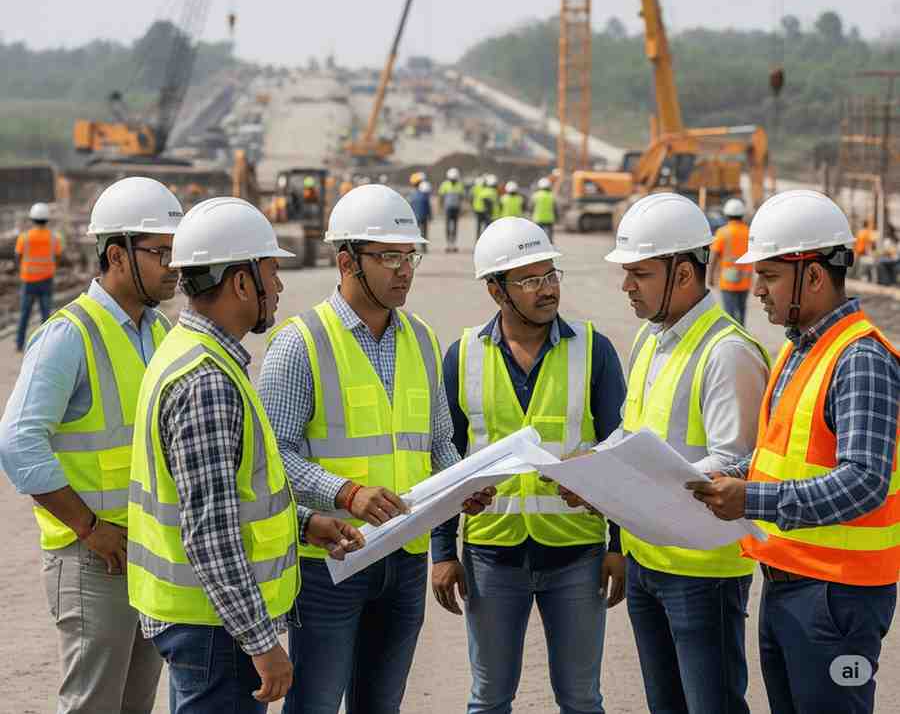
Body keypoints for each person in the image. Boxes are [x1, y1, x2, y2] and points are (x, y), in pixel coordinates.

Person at [258, 184, 493, 714]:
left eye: (411, 255)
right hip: (330, 564)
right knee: (314, 705)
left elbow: (436, 443)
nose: (405, 269)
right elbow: (272, 456)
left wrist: (462, 486)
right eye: (389, 256)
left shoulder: (423, 339)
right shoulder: (301, 343)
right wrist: (345, 493)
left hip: (403, 562)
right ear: (347, 260)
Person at [127, 197, 363, 714]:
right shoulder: (207, 380)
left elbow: (228, 494)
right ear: (240, 282)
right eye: (272, 272)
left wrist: (303, 524)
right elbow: (209, 532)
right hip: (217, 633)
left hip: (202, 623)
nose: (278, 287)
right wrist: (262, 644)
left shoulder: (187, 350)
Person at [687, 189, 900, 714]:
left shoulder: (860, 359)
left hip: (837, 598)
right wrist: (695, 476)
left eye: (770, 276)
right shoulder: (799, 348)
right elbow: (772, 457)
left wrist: (752, 499)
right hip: (789, 584)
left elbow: (865, 481)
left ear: (813, 275)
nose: (756, 289)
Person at [0, 177, 184, 714]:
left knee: (134, 704)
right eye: (160, 252)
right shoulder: (68, 335)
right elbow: (18, 442)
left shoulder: (156, 332)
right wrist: (89, 527)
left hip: (146, 554)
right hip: (91, 558)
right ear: (116, 256)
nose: (173, 265)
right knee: (92, 705)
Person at [431, 217, 627, 714]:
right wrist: (442, 551)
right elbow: (445, 458)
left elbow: (620, 451)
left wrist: (618, 546)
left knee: (581, 698)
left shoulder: (593, 350)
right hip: (491, 555)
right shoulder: (463, 356)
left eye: (551, 275)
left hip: (577, 553)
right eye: (531, 280)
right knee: (489, 697)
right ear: (497, 290)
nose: (548, 290)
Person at [595, 192, 770, 714]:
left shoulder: (728, 352)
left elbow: (733, 463)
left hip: (704, 572)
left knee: (710, 704)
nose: (626, 285)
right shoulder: (651, 340)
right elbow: (631, 430)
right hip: (649, 558)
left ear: (685, 274)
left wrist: (627, 485)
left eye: (639, 273)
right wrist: (591, 469)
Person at [15, 201, 63, 352]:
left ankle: (19, 344)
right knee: (46, 316)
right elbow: (58, 257)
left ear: (31, 219)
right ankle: (45, 346)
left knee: (24, 314)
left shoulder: (25, 237)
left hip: (28, 280)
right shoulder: (54, 238)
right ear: (47, 219)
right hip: (46, 280)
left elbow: (18, 257)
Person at [708, 196, 754, 325]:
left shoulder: (722, 232)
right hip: (745, 279)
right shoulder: (749, 232)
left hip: (727, 280)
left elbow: (714, 256)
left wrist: (710, 277)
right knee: (742, 311)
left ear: (726, 214)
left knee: (729, 313)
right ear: (742, 214)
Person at [438, 166, 465, 252]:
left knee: (455, 227)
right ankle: (448, 244)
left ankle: (454, 244)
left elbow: (462, 198)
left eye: (454, 179)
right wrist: (440, 207)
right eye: (451, 179)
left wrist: (462, 208)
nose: (453, 180)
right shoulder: (445, 184)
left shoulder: (460, 185)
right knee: (448, 227)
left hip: (456, 209)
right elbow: (441, 197)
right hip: (448, 209)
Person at [530, 177, 557, 243]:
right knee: (549, 238)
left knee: (537, 237)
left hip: (538, 218)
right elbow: (555, 208)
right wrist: (557, 216)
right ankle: (550, 249)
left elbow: (531, 207)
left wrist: (531, 214)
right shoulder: (552, 195)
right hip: (549, 219)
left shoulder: (536, 195)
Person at [409, 179, 433, 249]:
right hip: (424, 217)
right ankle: (424, 247)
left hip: (415, 217)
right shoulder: (425, 197)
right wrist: (430, 216)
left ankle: (413, 247)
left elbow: (411, 206)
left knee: (415, 233)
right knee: (424, 232)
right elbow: (428, 208)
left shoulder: (413, 195)